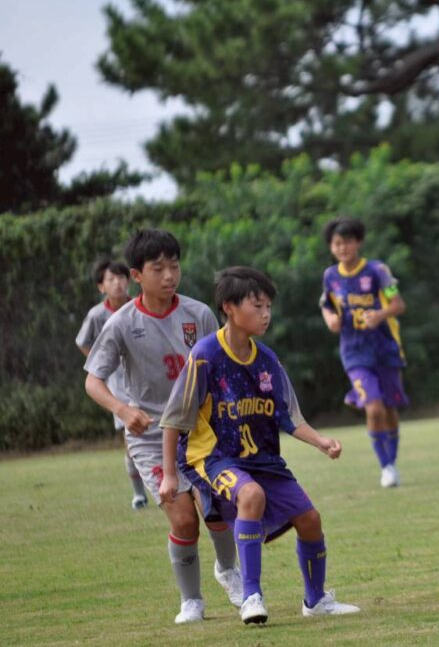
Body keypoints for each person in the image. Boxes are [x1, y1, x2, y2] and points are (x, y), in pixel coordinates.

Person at [160, 266, 361, 624]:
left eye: (268, 306)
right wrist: (169, 476)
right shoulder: (205, 356)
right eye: (257, 306)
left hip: (262, 459)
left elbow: (290, 417)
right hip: (213, 458)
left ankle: (316, 600)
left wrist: (321, 442)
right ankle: (251, 596)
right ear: (229, 307)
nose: (266, 314)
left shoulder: (267, 360)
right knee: (250, 495)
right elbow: (175, 418)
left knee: (310, 519)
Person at [83, 229, 243, 624]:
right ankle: (192, 600)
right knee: (185, 519)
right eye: (158, 268)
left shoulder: (199, 314)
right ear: (137, 275)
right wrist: (123, 410)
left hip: (202, 432)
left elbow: (220, 368)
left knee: (219, 509)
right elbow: (93, 381)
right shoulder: (121, 323)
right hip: (151, 437)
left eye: (174, 266)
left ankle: (228, 570)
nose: (169, 275)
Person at [319, 217, 408, 488]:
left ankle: (392, 462)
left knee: (389, 408)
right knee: (374, 407)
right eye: (337, 243)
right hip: (354, 353)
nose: (342, 247)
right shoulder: (330, 276)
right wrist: (331, 320)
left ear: (358, 242)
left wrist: (379, 315)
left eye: (347, 242)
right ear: (331, 246)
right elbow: (327, 304)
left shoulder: (378, 271)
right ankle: (386, 467)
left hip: (385, 348)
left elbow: (398, 304)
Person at [75, 257, 148, 509]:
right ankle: (139, 494)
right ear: (101, 286)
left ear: (129, 280)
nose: (117, 283)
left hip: (146, 380)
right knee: (131, 441)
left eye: (121, 277)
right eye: (111, 279)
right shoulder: (96, 315)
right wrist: (100, 365)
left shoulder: (140, 307)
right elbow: (82, 341)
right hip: (118, 386)